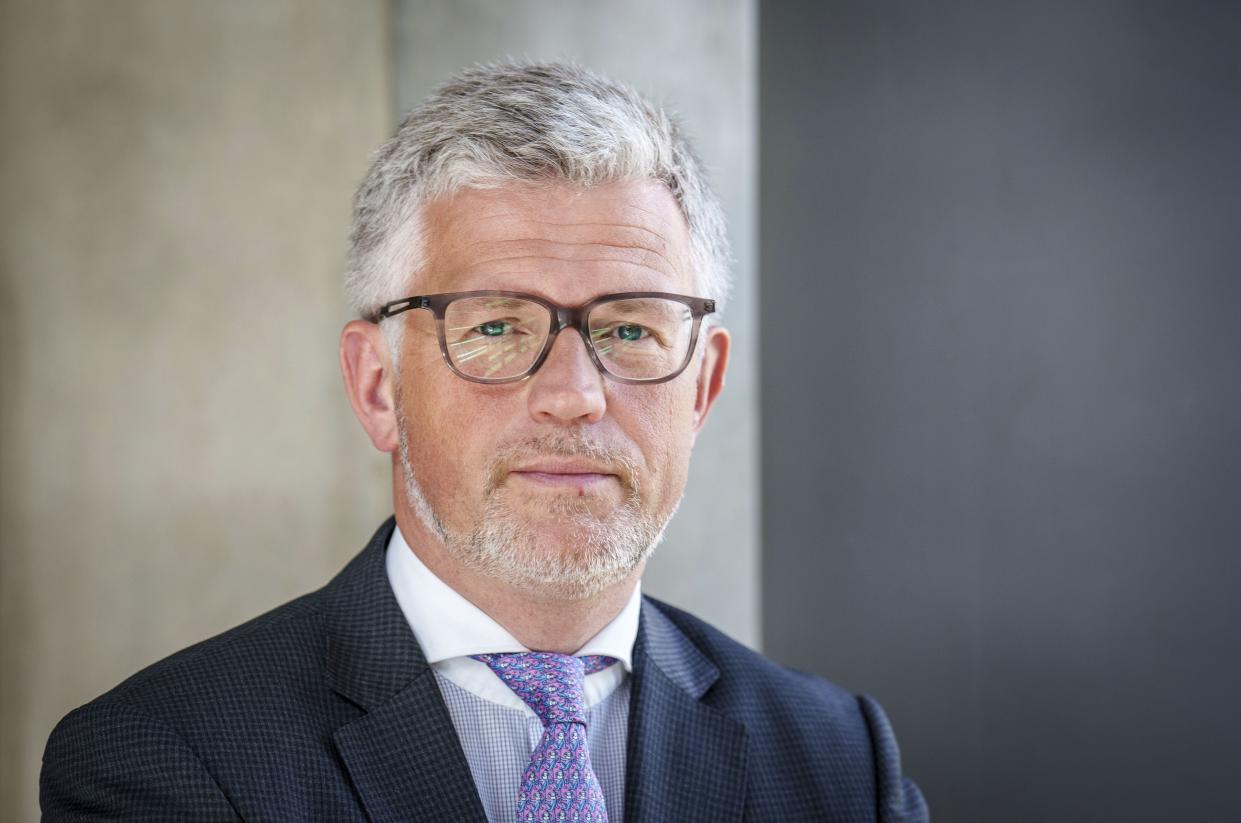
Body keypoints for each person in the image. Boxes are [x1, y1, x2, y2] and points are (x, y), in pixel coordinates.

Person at [40, 61, 928, 822]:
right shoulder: (168, 758)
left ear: (700, 386)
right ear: (378, 385)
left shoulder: (838, 763)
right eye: (498, 328)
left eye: (629, 331)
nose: (574, 396)